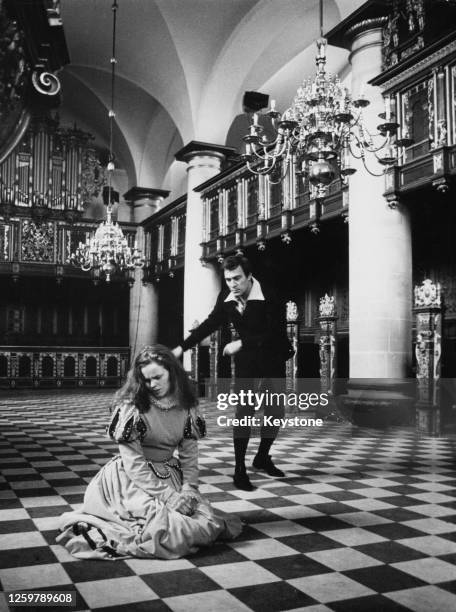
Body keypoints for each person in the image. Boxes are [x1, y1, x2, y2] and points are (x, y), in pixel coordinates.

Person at [57, 344, 242, 560]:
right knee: (172, 532)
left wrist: (189, 489)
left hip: (168, 474)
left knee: (203, 520)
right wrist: (170, 497)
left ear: (172, 372)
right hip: (129, 480)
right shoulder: (132, 407)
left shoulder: (188, 405)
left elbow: (189, 456)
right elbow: (134, 466)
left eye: (157, 377)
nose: (152, 384)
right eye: (146, 380)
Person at [173, 255, 292, 491]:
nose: (232, 284)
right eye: (228, 279)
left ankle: (262, 457)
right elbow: (209, 324)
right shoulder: (226, 298)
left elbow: (274, 332)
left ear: (249, 276)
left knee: (275, 411)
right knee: (244, 412)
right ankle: (240, 469)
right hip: (249, 361)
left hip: (273, 355)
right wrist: (181, 347)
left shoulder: (270, 293)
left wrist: (241, 343)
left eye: (237, 278)